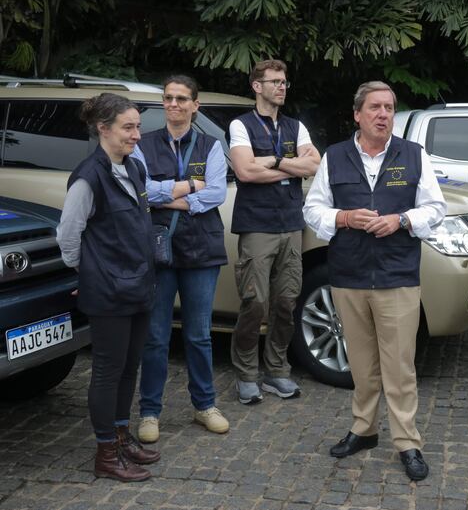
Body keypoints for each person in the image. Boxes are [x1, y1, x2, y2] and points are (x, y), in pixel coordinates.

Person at [303, 81, 446, 481]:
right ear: (357, 114)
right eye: (375, 107)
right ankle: (363, 429)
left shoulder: (413, 155)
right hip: (347, 276)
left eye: (389, 107)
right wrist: (344, 218)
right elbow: (312, 209)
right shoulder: (335, 156)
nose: (383, 114)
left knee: (399, 366)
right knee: (361, 364)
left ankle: (407, 442)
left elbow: (436, 208)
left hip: (396, 276)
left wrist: (401, 220)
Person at [56, 93, 159, 482]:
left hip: (139, 285)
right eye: (128, 127)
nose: (137, 135)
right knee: (107, 371)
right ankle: (105, 454)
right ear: (103, 129)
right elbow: (69, 235)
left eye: (138, 127)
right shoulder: (88, 176)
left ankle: (120, 435)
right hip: (109, 291)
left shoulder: (132, 168)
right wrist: (90, 273)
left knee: (130, 366)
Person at [131, 75, 230, 443]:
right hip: (158, 251)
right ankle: (150, 411)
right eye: (168, 98)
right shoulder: (143, 144)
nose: (174, 104)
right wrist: (190, 188)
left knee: (199, 335)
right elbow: (141, 192)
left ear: (195, 105)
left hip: (202, 251)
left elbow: (217, 194)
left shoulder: (211, 145)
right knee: (155, 337)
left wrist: (164, 194)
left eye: (181, 99)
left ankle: (205, 405)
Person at [229, 59, 320, 403]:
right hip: (257, 225)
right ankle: (246, 374)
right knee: (255, 303)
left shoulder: (296, 126)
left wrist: (274, 161)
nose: (282, 87)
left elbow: (314, 165)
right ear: (257, 86)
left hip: (291, 225)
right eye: (275, 81)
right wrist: (290, 168)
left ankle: (277, 370)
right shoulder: (241, 125)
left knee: (286, 301)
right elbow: (245, 172)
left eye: (284, 82)